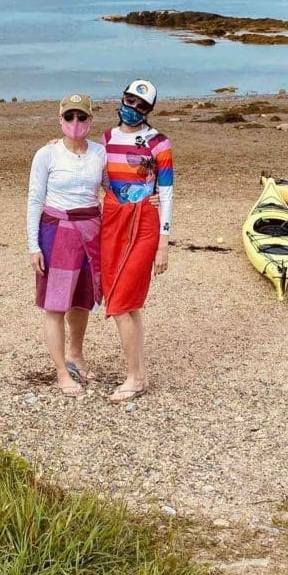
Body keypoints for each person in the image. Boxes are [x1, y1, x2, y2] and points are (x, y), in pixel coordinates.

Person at [27, 93, 107, 396]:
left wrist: (150, 194)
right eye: (70, 117)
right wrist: (33, 246)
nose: (76, 123)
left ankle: (76, 353)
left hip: (90, 232)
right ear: (60, 120)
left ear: (90, 120)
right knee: (55, 303)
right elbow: (35, 200)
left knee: (81, 299)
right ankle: (62, 372)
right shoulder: (46, 155)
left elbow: (114, 190)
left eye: (82, 117)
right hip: (55, 232)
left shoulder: (100, 154)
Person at [100, 79, 173, 402]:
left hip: (146, 224)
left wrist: (163, 242)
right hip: (113, 221)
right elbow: (96, 175)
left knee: (120, 302)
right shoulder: (105, 140)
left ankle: (133, 378)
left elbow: (167, 191)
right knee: (129, 304)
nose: (133, 109)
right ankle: (139, 371)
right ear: (122, 99)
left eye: (141, 106)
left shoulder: (159, 143)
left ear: (149, 111)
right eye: (130, 101)